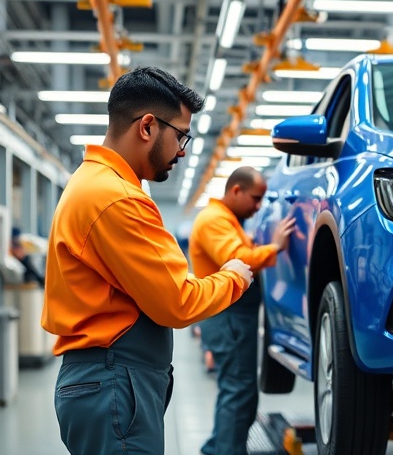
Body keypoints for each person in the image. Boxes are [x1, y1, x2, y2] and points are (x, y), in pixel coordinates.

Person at [41, 66, 254, 455]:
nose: (183, 150)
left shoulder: (94, 184)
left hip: (107, 380)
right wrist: (234, 277)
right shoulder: (116, 198)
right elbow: (178, 300)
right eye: (181, 135)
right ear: (148, 127)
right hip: (113, 380)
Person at [189, 166, 295, 455]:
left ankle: (216, 448)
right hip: (228, 317)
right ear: (236, 190)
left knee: (241, 393)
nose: (258, 206)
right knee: (237, 393)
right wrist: (274, 247)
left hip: (234, 317)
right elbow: (237, 260)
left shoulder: (228, 220)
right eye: (255, 198)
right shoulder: (214, 220)